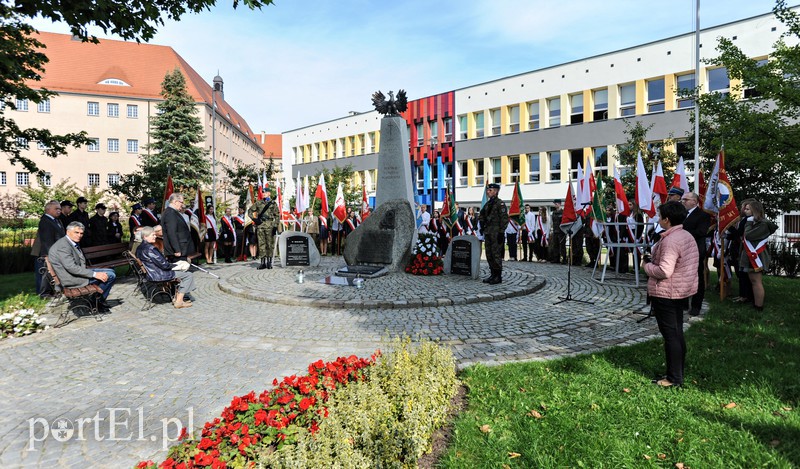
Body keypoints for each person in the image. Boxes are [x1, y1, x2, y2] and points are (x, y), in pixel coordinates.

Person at [643, 201, 699, 388]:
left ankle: (674, 379)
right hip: (680, 291)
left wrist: (646, 266)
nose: (658, 219)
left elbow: (664, 271)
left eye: (660, 216)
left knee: (671, 336)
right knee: (676, 333)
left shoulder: (671, 240)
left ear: (667, 219)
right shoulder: (686, 235)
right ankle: (676, 373)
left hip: (667, 293)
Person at [48, 222, 117, 311]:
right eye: (76, 232)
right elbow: (71, 268)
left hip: (75, 274)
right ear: (68, 232)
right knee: (111, 275)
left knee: (111, 271)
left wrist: (92, 273)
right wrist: (95, 274)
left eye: (81, 233)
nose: (79, 235)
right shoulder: (63, 246)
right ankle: (96, 301)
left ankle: (96, 299)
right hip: (72, 279)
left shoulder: (69, 242)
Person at [136, 226, 196, 309]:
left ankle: (177, 297)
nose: (155, 236)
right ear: (145, 237)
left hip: (153, 273)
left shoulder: (140, 247)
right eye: (153, 235)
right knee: (188, 275)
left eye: (155, 234)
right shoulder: (150, 248)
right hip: (159, 274)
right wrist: (177, 265)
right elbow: (164, 265)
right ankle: (179, 301)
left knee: (184, 272)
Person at [739, 199, 778, 311]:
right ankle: (755, 303)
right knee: (753, 281)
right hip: (751, 255)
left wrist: (748, 223)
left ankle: (758, 306)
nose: (745, 211)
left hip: (757, 256)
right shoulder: (754, 222)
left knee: (756, 281)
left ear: (755, 210)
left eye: (748, 209)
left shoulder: (763, 224)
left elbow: (749, 235)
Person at [680, 192, 711, 316]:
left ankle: (696, 306)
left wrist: (681, 233)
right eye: (682, 199)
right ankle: (683, 303)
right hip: (681, 250)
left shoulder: (703, 215)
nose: (683, 202)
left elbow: (701, 232)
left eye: (686, 199)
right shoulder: (681, 214)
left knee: (697, 278)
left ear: (694, 201)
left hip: (695, 250)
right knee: (682, 277)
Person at [31, 200, 65, 295]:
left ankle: (50, 291)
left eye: (60, 209)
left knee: (49, 273)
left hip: (52, 251)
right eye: (56, 209)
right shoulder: (45, 221)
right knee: (44, 272)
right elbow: (47, 240)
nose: (59, 211)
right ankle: (43, 293)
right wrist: (49, 255)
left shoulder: (56, 220)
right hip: (44, 252)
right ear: (48, 209)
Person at [479, 183, 509, 284]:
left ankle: (498, 276)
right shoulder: (488, 204)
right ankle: (492, 274)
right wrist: (482, 224)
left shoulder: (500, 204)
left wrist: (501, 232)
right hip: (488, 233)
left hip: (496, 234)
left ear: (496, 191)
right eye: (487, 190)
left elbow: (504, 219)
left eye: (490, 190)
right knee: (489, 254)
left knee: (496, 255)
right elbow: (481, 214)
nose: (488, 192)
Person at [728, 201, 753, 304]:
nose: (743, 210)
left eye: (746, 208)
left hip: (744, 248)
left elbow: (739, 233)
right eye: (744, 208)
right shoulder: (743, 219)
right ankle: (742, 295)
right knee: (740, 273)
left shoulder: (749, 220)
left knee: (744, 274)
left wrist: (728, 226)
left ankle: (746, 296)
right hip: (738, 248)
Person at [162, 193, 195, 262]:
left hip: (181, 249)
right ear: (175, 202)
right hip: (177, 251)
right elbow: (171, 232)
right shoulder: (170, 213)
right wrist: (176, 249)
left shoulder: (173, 212)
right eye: (181, 202)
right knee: (180, 267)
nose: (182, 205)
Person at [250, 192, 279, 269]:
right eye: (263, 193)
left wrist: (275, 226)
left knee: (269, 244)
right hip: (260, 225)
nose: (263, 194)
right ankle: (262, 262)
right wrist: (254, 219)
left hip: (270, 225)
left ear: (269, 193)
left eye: (265, 193)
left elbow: (277, 215)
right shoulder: (258, 203)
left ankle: (269, 262)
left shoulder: (273, 203)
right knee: (261, 244)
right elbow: (250, 211)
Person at [550, 199, 566, 264]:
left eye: (556, 204)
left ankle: (564, 259)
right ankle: (556, 259)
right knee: (555, 246)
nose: (555, 205)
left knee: (562, 246)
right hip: (555, 231)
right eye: (555, 204)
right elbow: (553, 222)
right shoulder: (554, 212)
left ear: (559, 204)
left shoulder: (563, 212)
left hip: (561, 232)